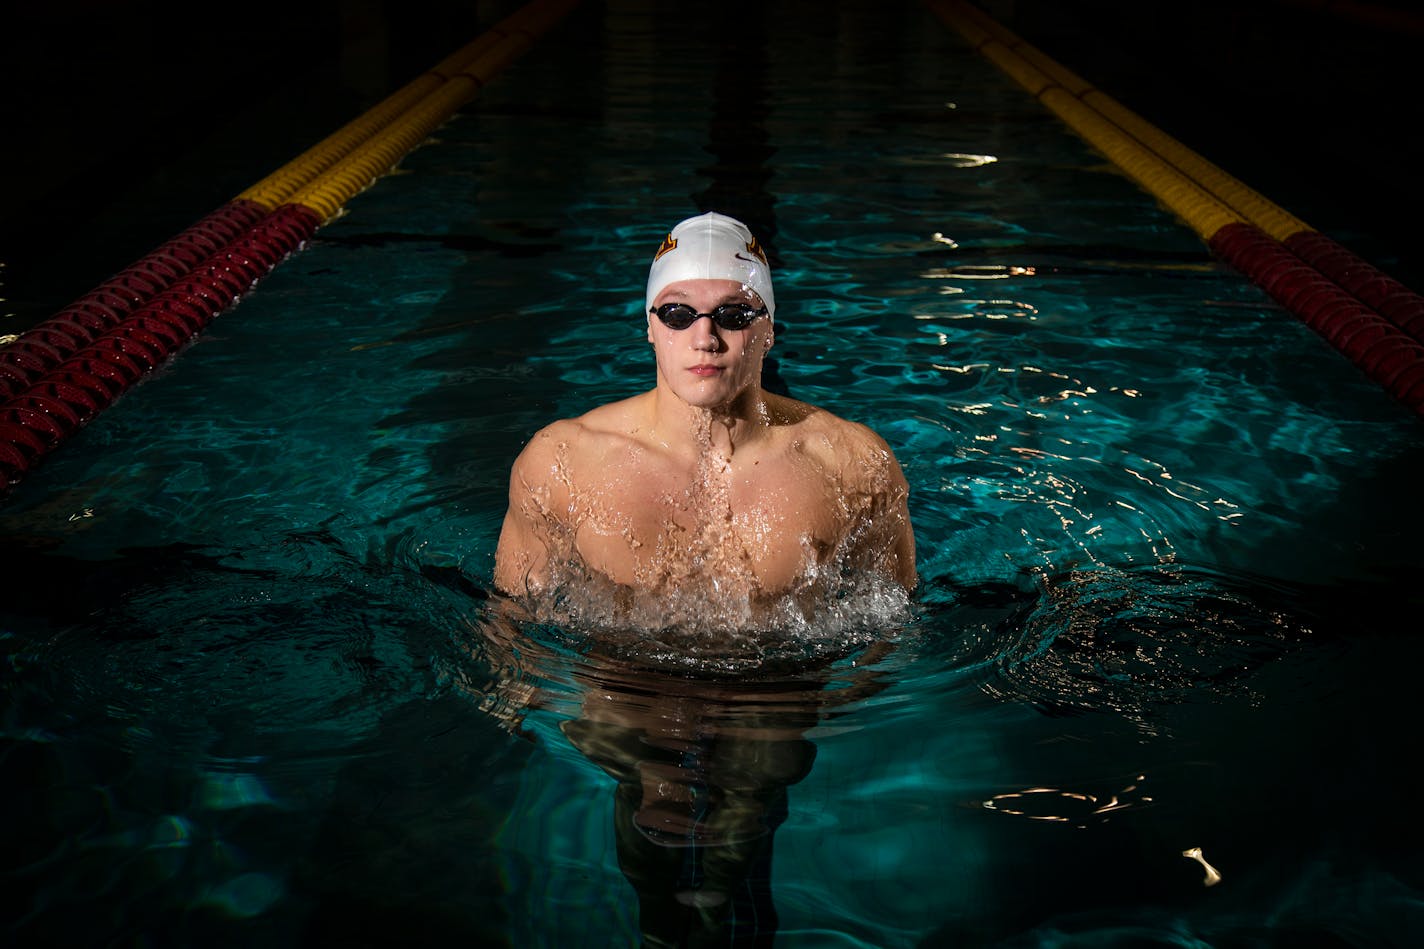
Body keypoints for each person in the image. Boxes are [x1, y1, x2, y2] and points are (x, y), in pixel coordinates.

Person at [493, 211, 915, 611]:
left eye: (734, 315)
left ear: (769, 330)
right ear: (650, 327)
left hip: (789, 690)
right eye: (678, 314)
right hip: (619, 687)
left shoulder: (852, 464)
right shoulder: (561, 464)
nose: (705, 337)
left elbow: (891, 642)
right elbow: (511, 635)